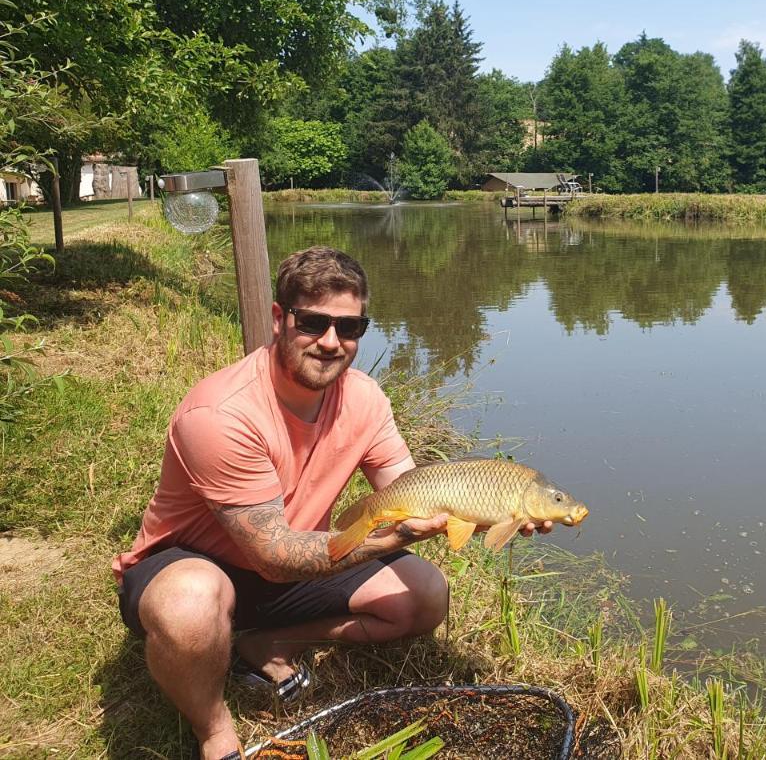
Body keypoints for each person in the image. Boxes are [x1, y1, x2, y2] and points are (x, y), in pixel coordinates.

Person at [112, 246, 551, 760]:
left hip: (297, 558)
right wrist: (393, 536)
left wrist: (494, 512)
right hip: (198, 562)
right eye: (313, 322)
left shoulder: (364, 398)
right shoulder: (221, 413)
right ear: (280, 319)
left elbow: (415, 490)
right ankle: (215, 731)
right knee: (190, 603)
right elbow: (273, 559)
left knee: (426, 595)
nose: (330, 342)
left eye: (349, 328)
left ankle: (265, 644)